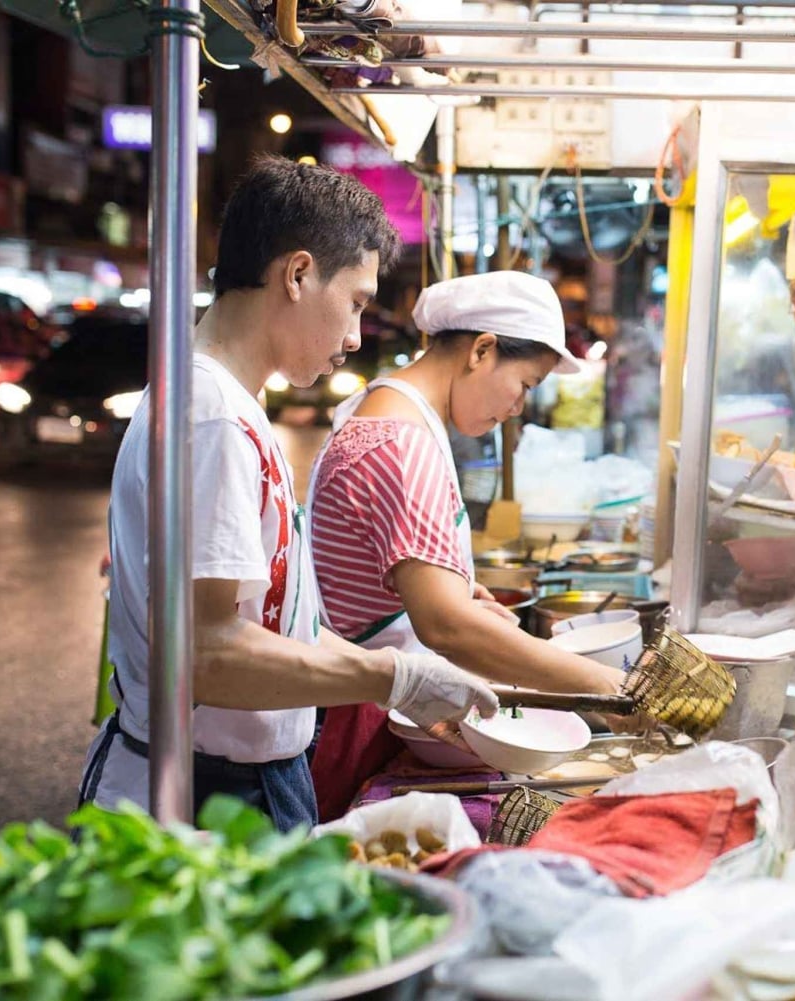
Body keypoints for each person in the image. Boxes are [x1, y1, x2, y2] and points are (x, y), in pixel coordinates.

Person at [80, 157, 498, 830]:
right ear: (298, 274)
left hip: (241, 779)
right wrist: (391, 677)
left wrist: (391, 673)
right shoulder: (210, 415)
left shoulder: (228, 402)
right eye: (357, 302)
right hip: (203, 794)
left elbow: (275, 627)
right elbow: (207, 652)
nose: (357, 335)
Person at [306, 270, 629, 821]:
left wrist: (452, 587)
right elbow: (447, 628)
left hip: (363, 702)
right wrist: (607, 688)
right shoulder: (403, 445)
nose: (519, 408)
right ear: (482, 350)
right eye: (525, 385)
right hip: (351, 722)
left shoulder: (382, 406)